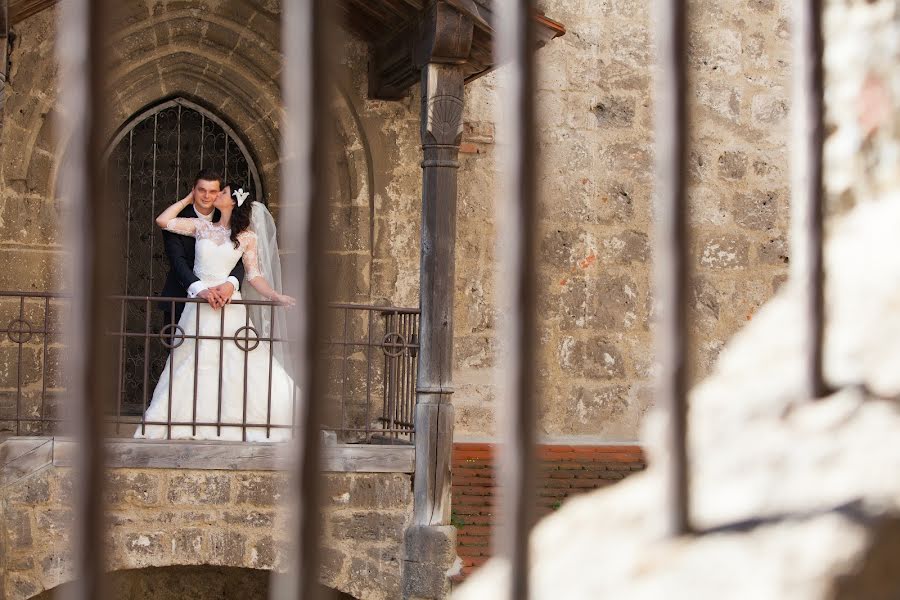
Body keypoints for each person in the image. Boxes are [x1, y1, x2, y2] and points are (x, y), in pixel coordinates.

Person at [135, 183, 297, 441]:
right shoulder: (201, 227)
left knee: (237, 362)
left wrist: (275, 295)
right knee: (190, 361)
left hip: (229, 307)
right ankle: (189, 420)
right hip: (198, 306)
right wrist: (188, 198)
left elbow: (254, 276)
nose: (216, 195)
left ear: (233, 202)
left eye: (223, 193)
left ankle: (238, 419)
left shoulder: (247, 237)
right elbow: (163, 220)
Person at [159, 169, 244, 324]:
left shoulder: (228, 217)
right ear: (193, 190)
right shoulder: (178, 218)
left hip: (222, 300)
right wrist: (199, 289)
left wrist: (231, 284)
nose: (206, 196)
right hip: (179, 297)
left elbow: (241, 258)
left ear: (219, 194)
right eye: (201, 190)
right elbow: (177, 260)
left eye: (213, 191)